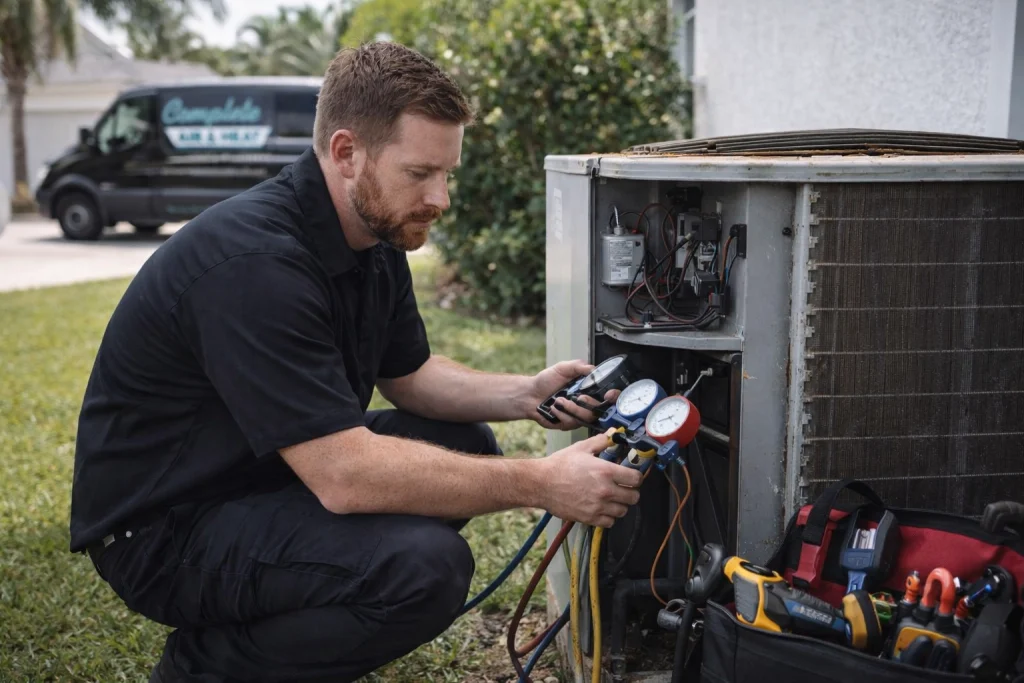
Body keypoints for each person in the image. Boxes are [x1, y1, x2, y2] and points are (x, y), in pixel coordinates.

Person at [69, 41, 642, 683]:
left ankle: (285, 620)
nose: (441, 197)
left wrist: (526, 392)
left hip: (256, 474)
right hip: (163, 531)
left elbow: (411, 377)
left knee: (461, 441)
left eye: (446, 173)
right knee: (427, 568)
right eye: (420, 173)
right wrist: (541, 483)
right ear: (346, 154)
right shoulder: (254, 265)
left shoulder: (372, 231)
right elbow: (344, 475)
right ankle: (206, 668)